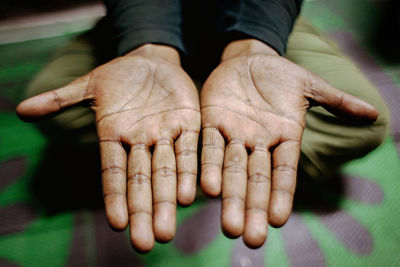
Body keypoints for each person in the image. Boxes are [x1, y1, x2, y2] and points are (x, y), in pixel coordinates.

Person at [16, 0, 389, 253]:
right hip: (141, 22)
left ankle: (196, 140)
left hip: (256, 21)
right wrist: (148, 46)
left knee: (368, 123)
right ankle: (202, 136)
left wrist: (254, 46)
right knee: (54, 102)